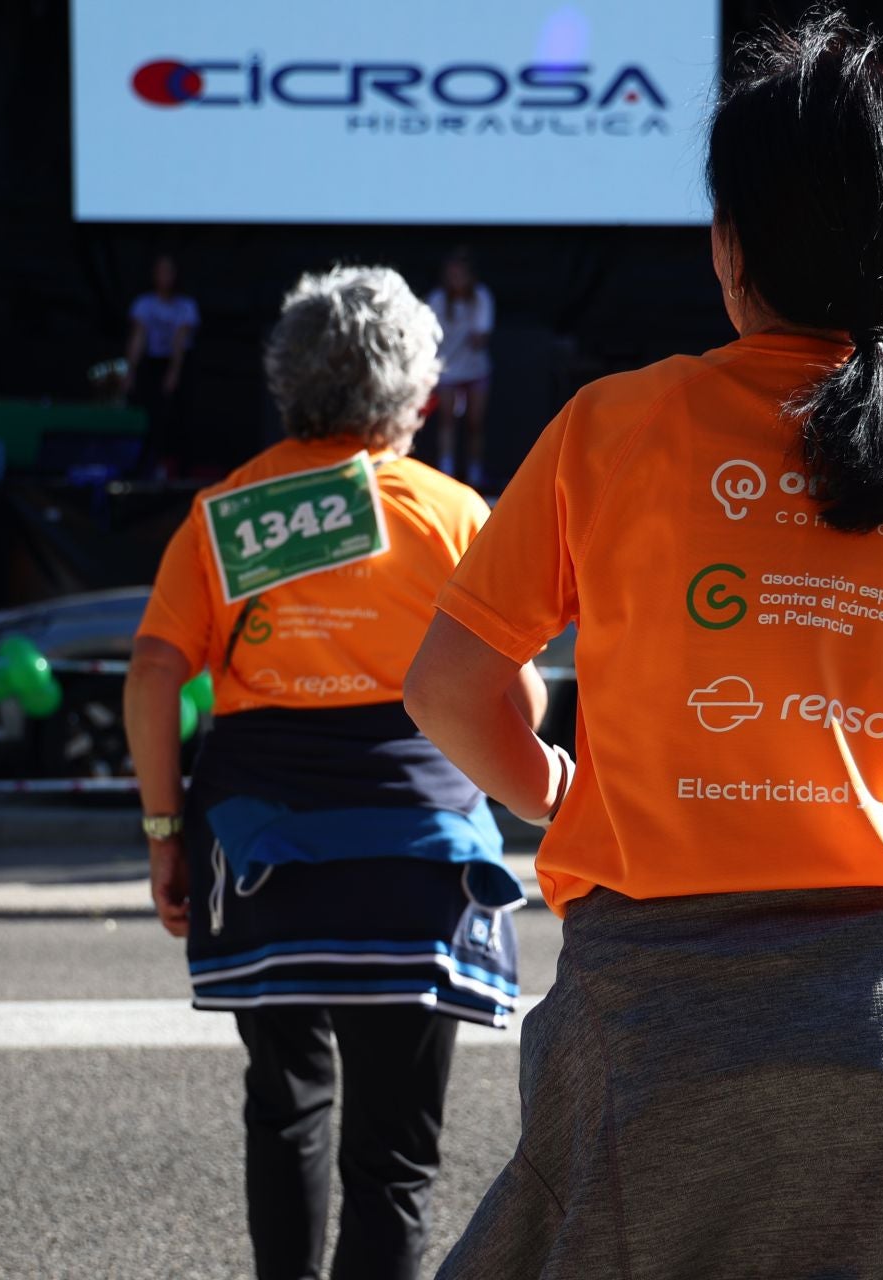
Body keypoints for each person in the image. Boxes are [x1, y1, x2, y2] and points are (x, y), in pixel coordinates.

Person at [405, 17, 883, 1277]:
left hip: (660, 1022)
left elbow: (451, 686)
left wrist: (558, 791)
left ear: (730, 246)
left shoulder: (609, 427)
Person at [125, 265, 545, 1280]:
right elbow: (521, 700)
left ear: (285, 382)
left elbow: (151, 673)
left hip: (259, 850)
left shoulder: (225, 510)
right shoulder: (454, 513)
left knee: (284, 1106)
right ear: (420, 396)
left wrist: (165, 831)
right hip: (416, 856)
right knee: (394, 1161)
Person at [125, 254, 199, 476]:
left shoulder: (186, 306)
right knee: (149, 415)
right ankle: (144, 467)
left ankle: (181, 471)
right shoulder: (144, 304)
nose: (164, 277)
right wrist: (129, 371)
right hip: (152, 363)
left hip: (180, 362)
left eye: (169, 271)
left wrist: (174, 373)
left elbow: (180, 340)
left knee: (179, 416)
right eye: (160, 271)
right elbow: (137, 338)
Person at [424, 249, 493, 486]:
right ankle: (446, 471)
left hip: (476, 371)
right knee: (446, 422)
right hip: (448, 371)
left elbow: (480, 338)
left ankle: (475, 472)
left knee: (475, 423)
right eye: (452, 274)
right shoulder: (437, 300)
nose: (456, 279)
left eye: (461, 274)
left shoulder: (481, 298)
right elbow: (428, 336)